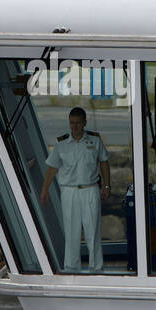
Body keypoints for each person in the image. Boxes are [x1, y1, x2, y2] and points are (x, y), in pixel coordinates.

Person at [40, 107, 111, 273]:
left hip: (90, 189)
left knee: (93, 230)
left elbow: (104, 162)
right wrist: (45, 190)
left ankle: (96, 268)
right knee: (71, 232)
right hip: (69, 191)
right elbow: (52, 167)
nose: (74, 127)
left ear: (84, 122)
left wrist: (107, 185)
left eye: (78, 123)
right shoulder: (61, 143)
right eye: (72, 123)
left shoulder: (95, 140)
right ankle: (71, 268)